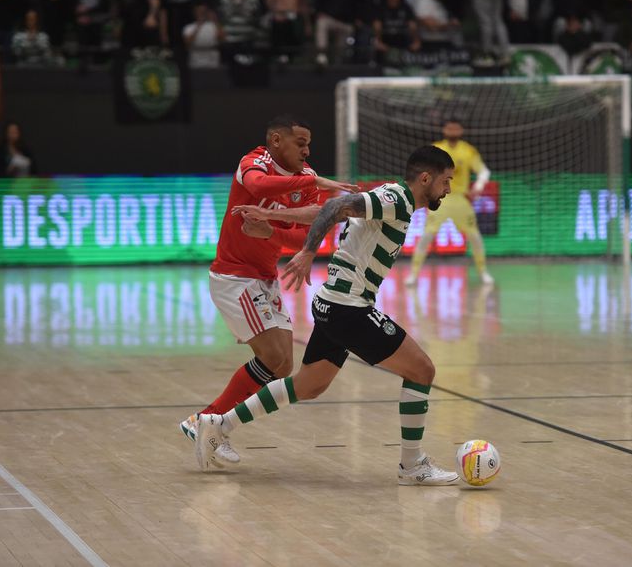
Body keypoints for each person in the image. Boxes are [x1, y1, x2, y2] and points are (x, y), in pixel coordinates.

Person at [197, 145, 460, 486]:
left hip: (330, 305)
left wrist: (276, 219)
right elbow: (335, 205)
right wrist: (307, 251)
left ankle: (219, 424)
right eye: (446, 181)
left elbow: (326, 211)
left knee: (309, 385)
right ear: (426, 178)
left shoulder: (387, 197)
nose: (448, 190)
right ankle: (412, 465)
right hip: (348, 308)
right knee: (422, 370)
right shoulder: (396, 199)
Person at [178, 115, 357, 465]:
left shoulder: (305, 181)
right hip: (234, 276)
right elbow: (259, 187)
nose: (307, 150)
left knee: (281, 363)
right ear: (277, 140)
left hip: (264, 277)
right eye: (300, 143)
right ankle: (211, 422)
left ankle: (208, 423)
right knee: (274, 357)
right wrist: (311, 180)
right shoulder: (253, 162)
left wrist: (271, 232)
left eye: (309, 144)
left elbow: (306, 236)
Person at [406, 119, 493, 287]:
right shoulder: (436, 149)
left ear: (461, 130)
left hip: (460, 199)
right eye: (449, 127)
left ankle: (483, 273)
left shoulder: (468, 150)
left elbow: (483, 171)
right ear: (444, 129)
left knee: (475, 237)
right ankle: (414, 274)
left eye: (456, 127)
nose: (452, 130)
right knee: (427, 236)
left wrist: (479, 186)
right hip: (439, 199)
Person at [183, 2, 223, 67]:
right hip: (196, 57)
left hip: (212, 57)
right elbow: (187, 42)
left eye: (203, 11)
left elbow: (222, 39)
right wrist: (199, 25)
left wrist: (215, 20)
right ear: (195, 12)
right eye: (199, 11)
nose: (201, 13)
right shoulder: (189, 27)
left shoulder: (214, 26)